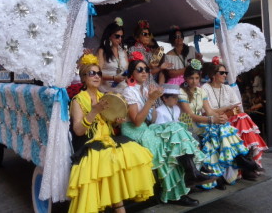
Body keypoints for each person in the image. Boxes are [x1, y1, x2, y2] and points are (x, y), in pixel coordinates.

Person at [121, 52, 215, 207]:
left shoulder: (144, 90)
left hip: (148, 128)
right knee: (171, 140)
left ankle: (190, 176)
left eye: (146, 69)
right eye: (139, 70)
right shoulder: (128, 91)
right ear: (132, 73)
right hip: (135, 132)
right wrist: (152, 99)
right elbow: (137, 122)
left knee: (176, 132)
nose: (144, 72)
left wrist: (153, 102)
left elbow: (151, 119)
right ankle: (190, 176)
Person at [67, 54, 155, 213]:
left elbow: (109, 121)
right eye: (92, 73)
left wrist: (116, 121)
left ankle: (118, 207)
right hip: (89, 144)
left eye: (98, 73)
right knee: (111, 159)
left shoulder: (104, 96)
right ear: (83, 78)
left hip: (108, 140)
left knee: (136, 152)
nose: (96, 76)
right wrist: (94, 111)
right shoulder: (77, 100)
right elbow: (78, 130)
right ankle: (118, 209)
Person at [178, 61, 259, 185]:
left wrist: (221, 116)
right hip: (185, 125)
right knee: (218, 131)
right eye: (191, 78)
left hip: (200, 122)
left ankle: (237, 161)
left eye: (197, 78)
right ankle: (239, 161)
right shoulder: (181, 92)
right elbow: (190, 116)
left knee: (224, 128)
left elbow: (210, 110)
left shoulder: (201, 91)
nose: (194, 81)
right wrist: (214, 119)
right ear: (185, 78)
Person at [202, 63, 268, 167]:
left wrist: (226, 113)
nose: (225, 75)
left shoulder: (228, 88)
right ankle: (247, 156)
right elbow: (205, 112)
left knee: (242, 116)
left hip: (229, 119)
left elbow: (238, 109)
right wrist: (225, 109)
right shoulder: (205, 88)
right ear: (213, 75)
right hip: (213, 120)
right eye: (222, 73)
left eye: (226, 73)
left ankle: (248, 153)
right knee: (242, 119)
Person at [128, 20, 172, 86]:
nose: (148, 36)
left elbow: (151, 72)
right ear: (137, 37)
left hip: (150, 83)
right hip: (139, 84)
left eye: (149, 34)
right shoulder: (134, 49)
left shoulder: (148, 52)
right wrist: (159, 68)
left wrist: (160, 67)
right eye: (144, 34)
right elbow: (139, 71)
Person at [97, 17, 128, 94]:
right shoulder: (102, 51)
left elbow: (127, 70)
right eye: (117, 36)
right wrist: (113, 78)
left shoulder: (123, 51)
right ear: (109, 36)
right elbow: (97, 73)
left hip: (123, 90)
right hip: (106, 91)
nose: (120, 39)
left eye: (122, 36)